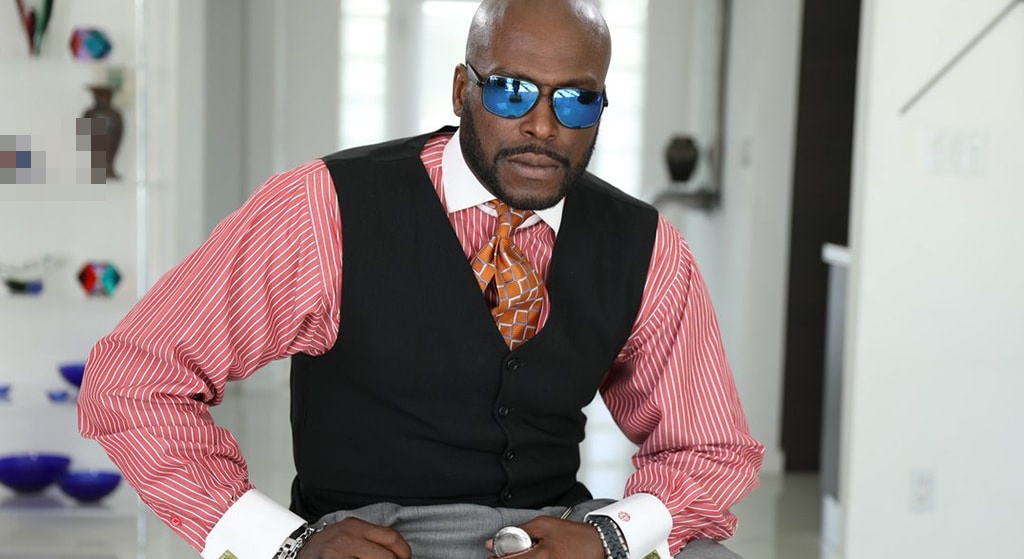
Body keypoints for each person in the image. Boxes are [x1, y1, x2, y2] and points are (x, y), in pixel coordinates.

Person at [77, 1, 764, 558]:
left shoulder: (646, 246)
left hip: (557, 530)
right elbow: (133, 378)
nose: (543, 126)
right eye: (512, 91)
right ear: (464, 89)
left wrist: (611, 536)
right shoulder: (324, 209)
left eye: (577, 101)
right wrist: (283, 543)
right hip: (376, 536)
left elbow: (710, 446)